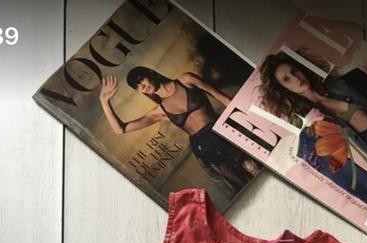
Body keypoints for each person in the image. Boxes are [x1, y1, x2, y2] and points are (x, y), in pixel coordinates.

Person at [259, 50, 367, 207]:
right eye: (287, 79)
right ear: (282, 89)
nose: (296, 78)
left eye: (294, 71)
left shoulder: (341, 84)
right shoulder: (311, 122)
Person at [99, 66, 260, 191]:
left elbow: (221, 96)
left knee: (255, 169)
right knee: (242, 185)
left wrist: (251, 120)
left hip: (221, 131)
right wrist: (104, 101)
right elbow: (120, 129)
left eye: (142, 80)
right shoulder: (160, 112)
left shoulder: (186, 80)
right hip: (204, 147)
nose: (143, 86)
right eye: (138, 86)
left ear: (150, 73)